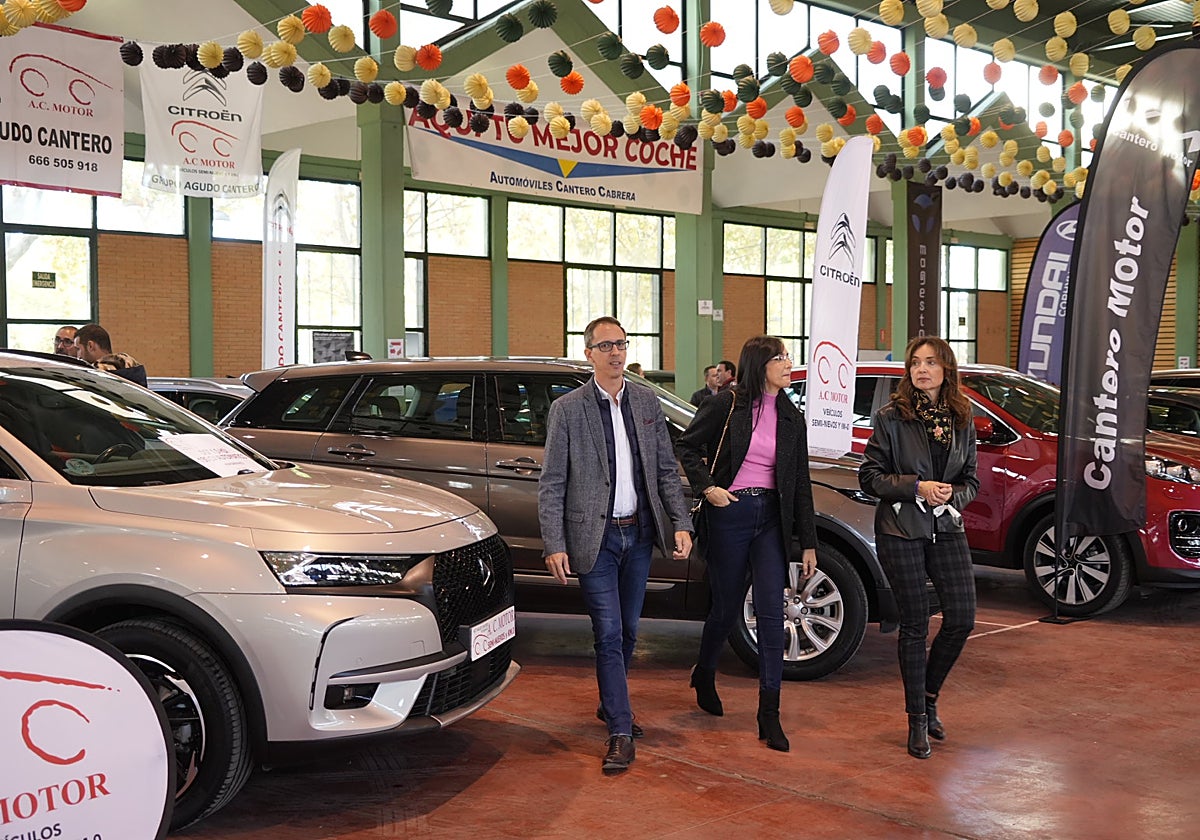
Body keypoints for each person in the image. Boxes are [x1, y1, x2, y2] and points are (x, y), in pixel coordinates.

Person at [538, 316, 693, 776]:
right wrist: (554, 543)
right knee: (606, 633)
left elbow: (666, 469)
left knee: (627, 631)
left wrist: (680, 522)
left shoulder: (645, 402)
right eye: (604, 345)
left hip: (639, 533)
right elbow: (552, 483)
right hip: (595, 539)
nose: (615, 352)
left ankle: (611, 702)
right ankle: (620, 730)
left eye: (621, 344)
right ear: (588, 354)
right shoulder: (567, 410)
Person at [676, 335, 818, 753]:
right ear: (760, 365)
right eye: (781, 358)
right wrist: (708, 489)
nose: (789, 363)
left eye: (789, 357)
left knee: (773, 611)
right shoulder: (726, 405)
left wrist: (807, 542)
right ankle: (704, 671)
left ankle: (768, 714)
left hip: (772, 518)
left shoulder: (793, 418)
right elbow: (686, 446)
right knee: (725, 606)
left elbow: (801, 483)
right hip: (730, 513)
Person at [858, 335, 979, 760]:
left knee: (962, 618)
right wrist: (916, 487)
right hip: (901, 528)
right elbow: (869, 477)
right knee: (914, 625)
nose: (921, 369)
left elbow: (973, 481)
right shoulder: (892, 417)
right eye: (915, 363)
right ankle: (916, 721)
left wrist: (953, 496)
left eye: (930, 362)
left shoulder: (963, 418)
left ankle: (929, 697)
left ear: (946, 368)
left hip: (946, 528)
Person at [74, 323, 148, 387]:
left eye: (78, 349)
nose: (78, 356)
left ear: (90, 346)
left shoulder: (96, 374)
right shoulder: (130, 364)